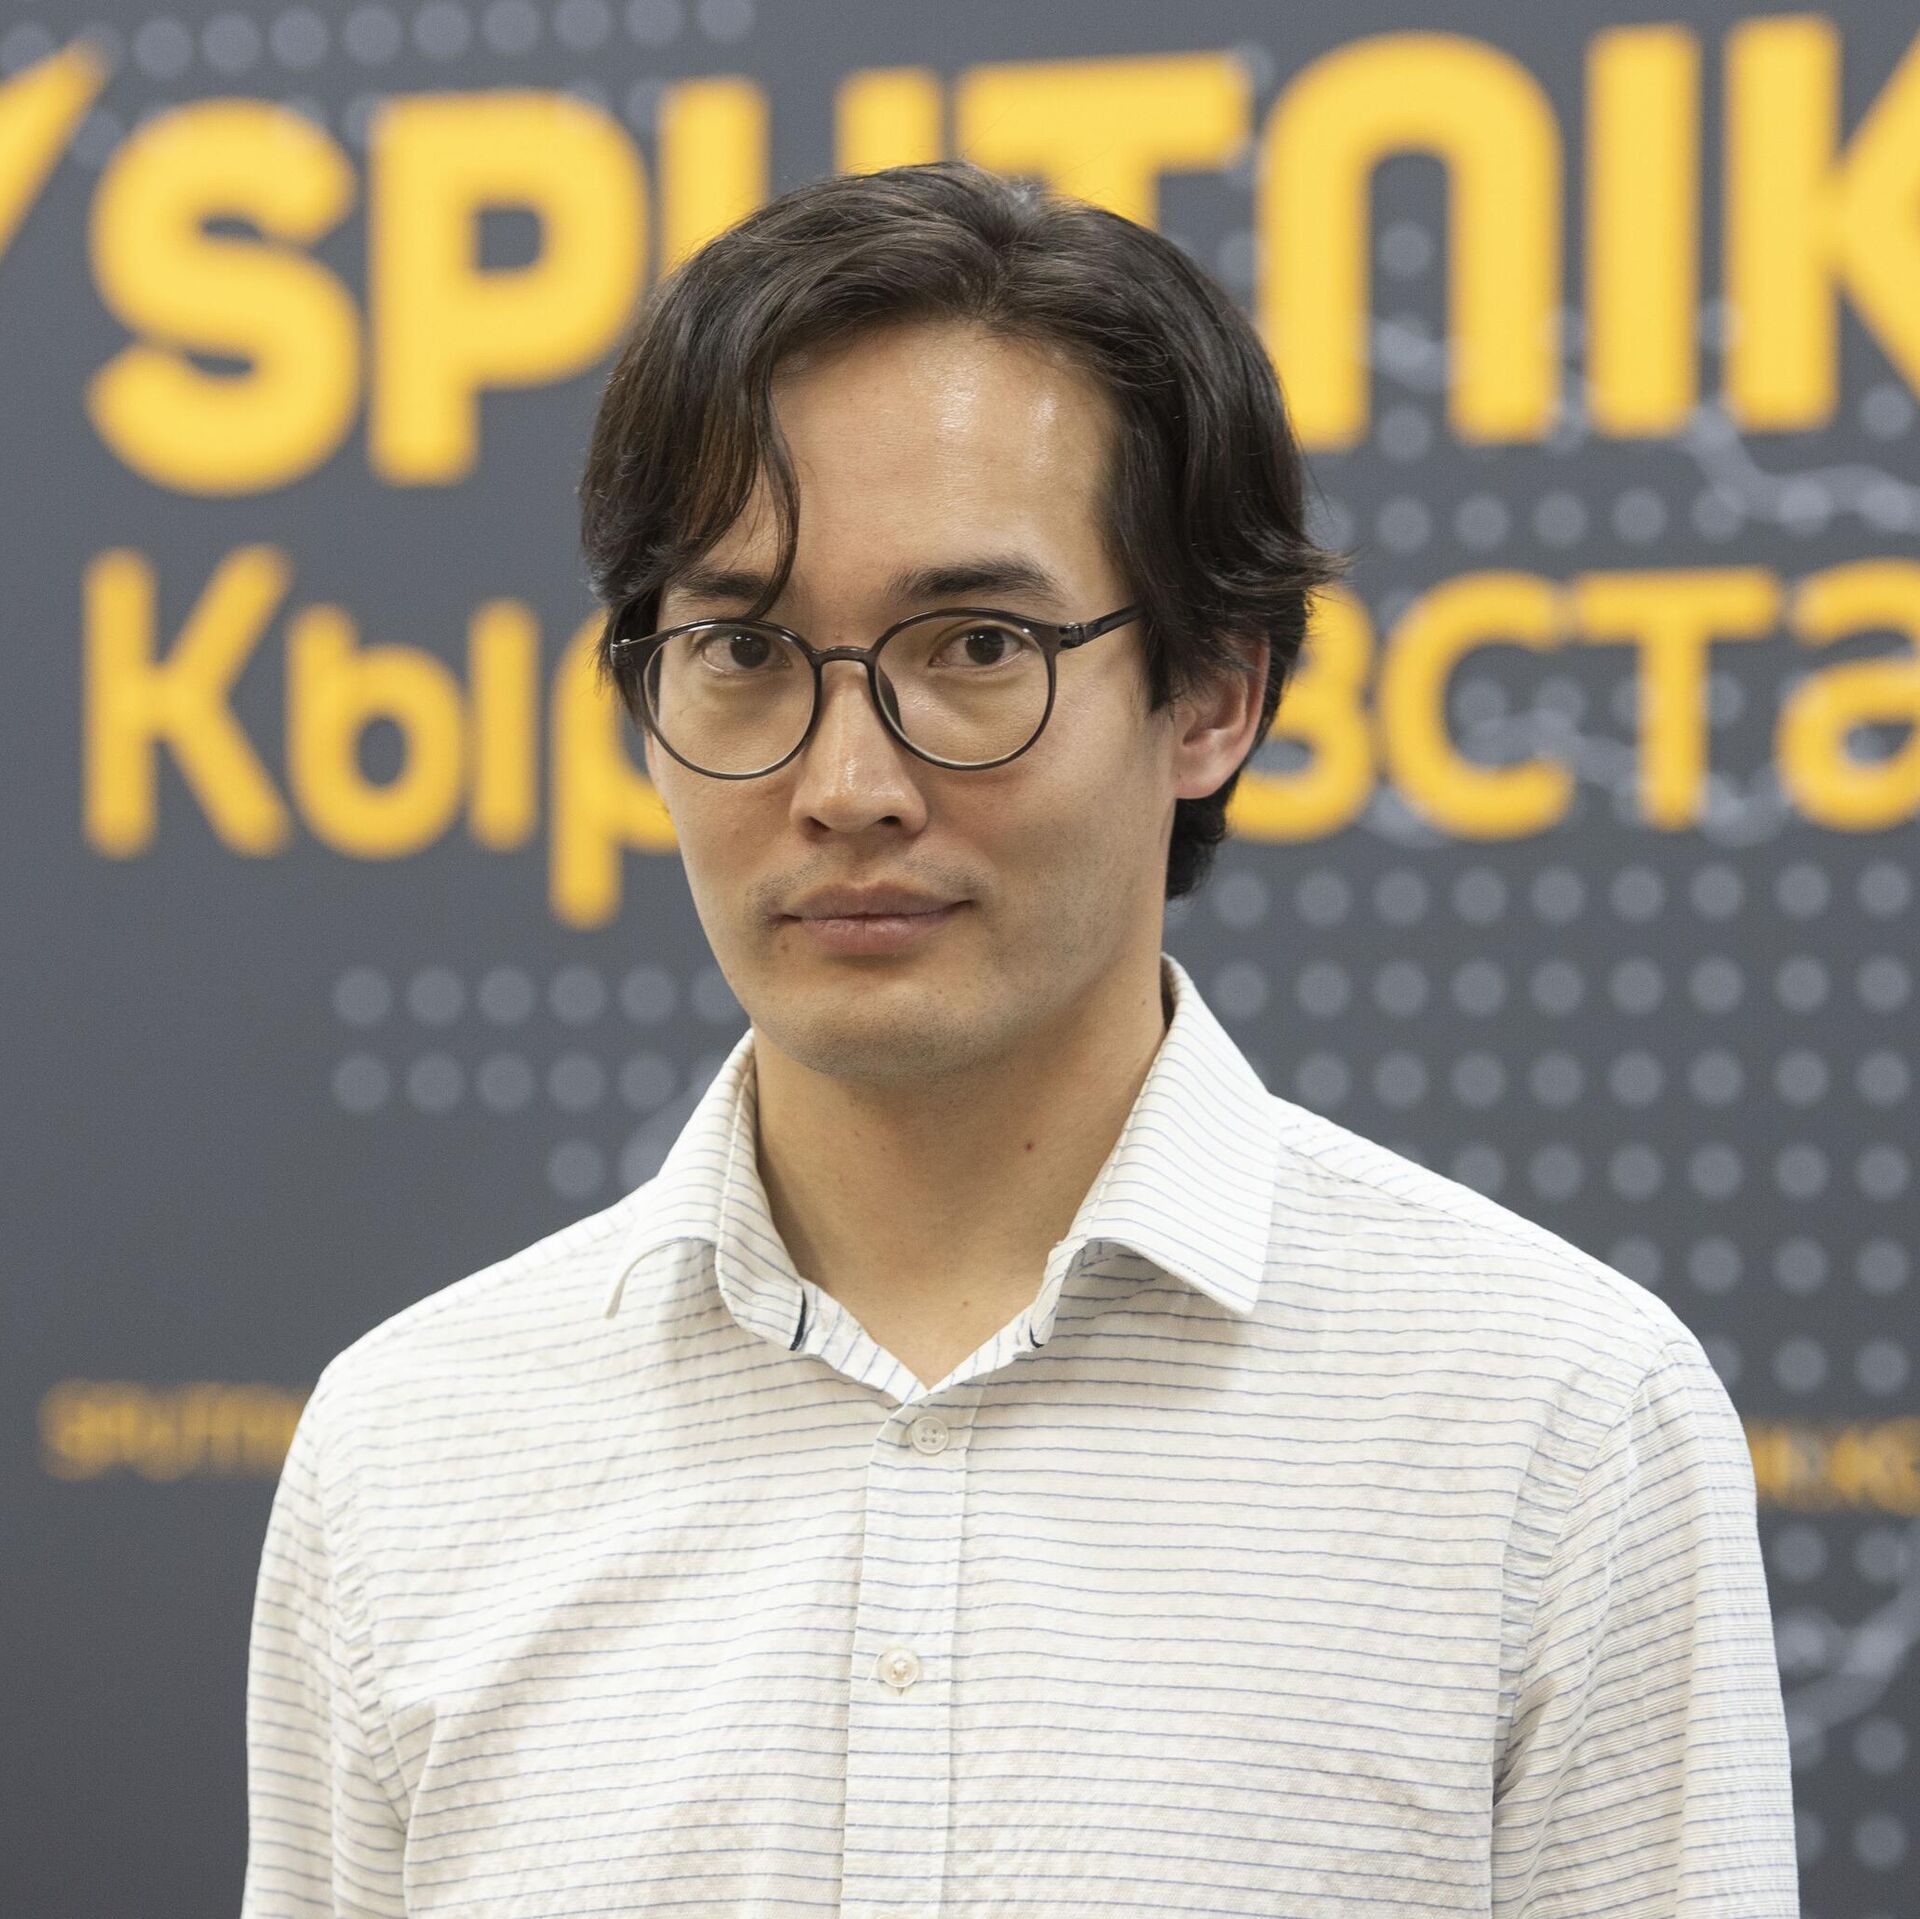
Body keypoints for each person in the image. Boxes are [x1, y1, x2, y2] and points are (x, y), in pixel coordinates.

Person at [242, 161, 1798, 1916]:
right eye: (742, 648)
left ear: (1213, 693)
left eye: (976, 644)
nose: (847, 785)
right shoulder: (408, 1447)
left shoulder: (1555, 1427)